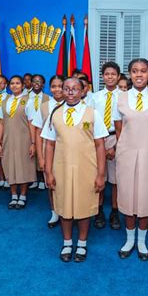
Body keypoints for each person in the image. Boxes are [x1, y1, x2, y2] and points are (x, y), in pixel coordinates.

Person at [42, 77, 108, 262]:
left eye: (75, 89)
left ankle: (82, 243)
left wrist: (101, 174)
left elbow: (100, 145)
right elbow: (49, 145)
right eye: (67, 89)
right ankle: (67, 242)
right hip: (61, 167)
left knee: (84, 206)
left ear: (83, 91)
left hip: (86, 168)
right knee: (64, 206)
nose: (70, 92)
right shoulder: (54, 114)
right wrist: (48, 171)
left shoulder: (93, 114)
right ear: (62, 91)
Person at [113, 58, 148, 261]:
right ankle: (129, 240)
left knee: (145, 196)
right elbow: (118, 129)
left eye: (143, 71)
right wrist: (124, 151)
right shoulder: (119, 98)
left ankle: (142, 241)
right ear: (129, 74)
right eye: (135, 71)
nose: (139, 75)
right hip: (127, 153)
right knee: (128, 195)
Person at [0, 75, 37, 209]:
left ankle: (23, 195)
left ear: (23, 86)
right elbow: (1, 123)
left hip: (24, 139)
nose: (14, 86)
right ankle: (13, 195)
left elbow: (31, 123)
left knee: (23, 165)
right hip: (8, 139)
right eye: (12, 83)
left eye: (18, 83)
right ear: (9, 86)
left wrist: (33, 143)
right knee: (10, 165)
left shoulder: (28, 101)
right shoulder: (5, 101)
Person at [91, 61, 121, 230]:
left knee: (116, 180)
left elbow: (127, 125)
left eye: (113, 74)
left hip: (118, 138)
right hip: (98, 140)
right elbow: (90, 122)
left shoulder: (124, 97)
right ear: (102, 76)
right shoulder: (94, 97)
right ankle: (99, 211)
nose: (110, 77)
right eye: (107, 74)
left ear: (118, 76)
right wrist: (101, 146)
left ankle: (115, 212)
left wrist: (116, 147)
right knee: (100, 177)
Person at [33, 74, 65, 227]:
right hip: (48, 149)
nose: (57, 89)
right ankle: (54, 212)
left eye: (60, 86)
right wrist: (40, 157)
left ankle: (67, 210)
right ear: (49, 88)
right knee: (51, 182)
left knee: (66, 181)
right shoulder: (44, 106)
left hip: (66, 149)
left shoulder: (71, 104)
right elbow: (38, 133)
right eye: (54, 86)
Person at [27, 74, 50, 190]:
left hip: (42, 130)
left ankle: (42, 178)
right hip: (29, 130)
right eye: (34, 81)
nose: (36, 84)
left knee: (42, 153)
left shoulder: (48, 98)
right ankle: (33, 178)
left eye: (39, 82)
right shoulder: (25, 98)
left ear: (43, 84)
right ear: (31, 83)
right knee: (31, 155)